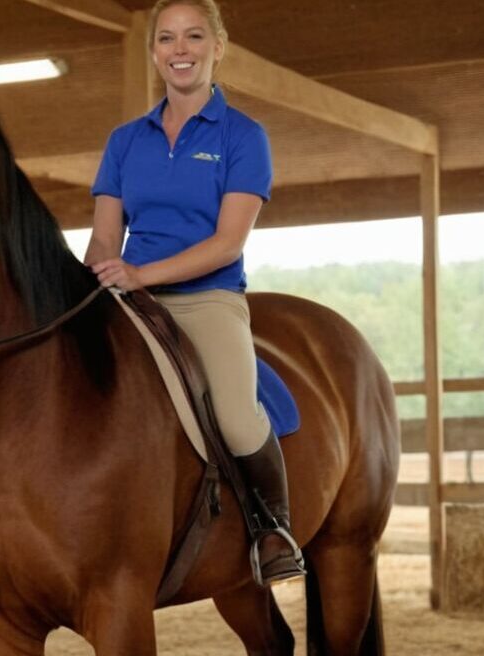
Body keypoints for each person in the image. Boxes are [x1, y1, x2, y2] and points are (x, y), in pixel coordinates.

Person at [84, 0, 304, 585]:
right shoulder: (125, 140)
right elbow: (105, 235)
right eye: (167, 39)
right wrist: (101, 272)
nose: (180, 50)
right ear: (155, 52)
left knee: (234, 416)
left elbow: (228, 242)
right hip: (128, 301)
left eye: (193, 37)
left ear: (218, 47)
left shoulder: (243, 137)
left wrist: (141, 275)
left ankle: (272, 529)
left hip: (208, 299)